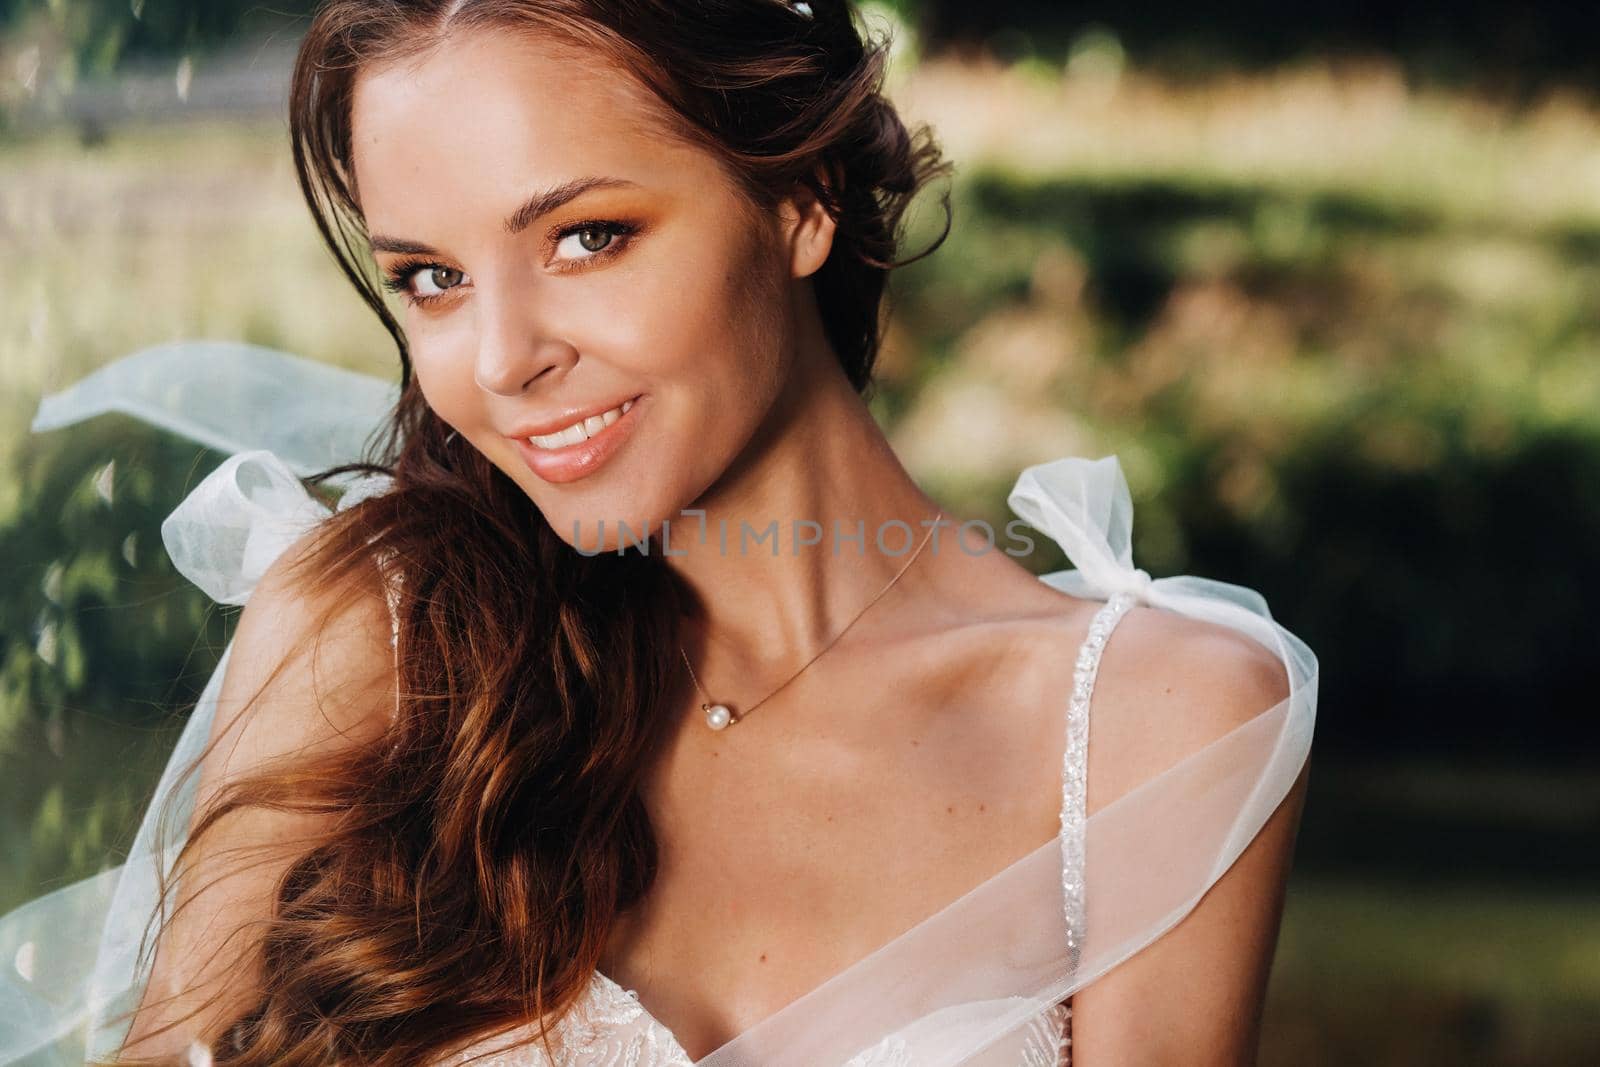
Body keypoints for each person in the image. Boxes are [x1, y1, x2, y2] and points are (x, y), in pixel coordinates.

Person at [0, 1, 1318, 1064]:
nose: (505, 360)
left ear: (799, 198)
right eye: (432, 279)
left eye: (586, 237)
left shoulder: (1150, 725)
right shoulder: (387, 639)